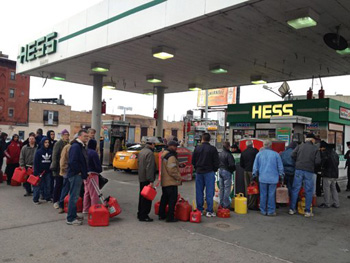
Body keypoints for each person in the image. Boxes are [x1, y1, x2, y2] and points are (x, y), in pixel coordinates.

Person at [289, 133, 321, 217]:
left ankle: (292, 209)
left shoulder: (300, 146)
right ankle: (307, 211)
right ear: (312, 140)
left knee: (295, 189)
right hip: (309, 170)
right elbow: (318, 161)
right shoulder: (315, 148)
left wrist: (298, 161)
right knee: (308, 190)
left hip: (298, 169)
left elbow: (292, 155)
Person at [253, 140, 284, 216]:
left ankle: (263, 210)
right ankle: (271, 211)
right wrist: (282, 176)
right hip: (273, 178)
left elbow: (255, 167)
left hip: (262, 178)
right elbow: (280, 167)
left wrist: (254, 175)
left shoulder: (259, 154)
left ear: (263, 145)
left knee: (263, 194)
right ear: (271, 146)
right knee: (271, 194)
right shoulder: (276, 155)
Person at [192, 133, 219, 217]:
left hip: (199, 172)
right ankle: (209, 211)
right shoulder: (213, 149)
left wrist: (197, 168)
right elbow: (216, 162)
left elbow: (193, 161)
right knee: (210, 192)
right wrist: (214, 170)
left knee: (199, 191)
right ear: (209, 140)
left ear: (202, 139)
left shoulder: (197, 148)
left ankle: (199, 210)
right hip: (209, 172)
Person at [66, 129, 89, 225]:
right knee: (74, 197)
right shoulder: (76, 147)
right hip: (75, 175)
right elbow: (72, 161)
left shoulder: (80, 146)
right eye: (85, 136)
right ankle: (70, 219)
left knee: (75, 196)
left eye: (87, 136)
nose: (86, 138)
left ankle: (73, 215)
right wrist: (79, 171)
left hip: (77, 174)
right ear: (79, 136)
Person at [159, 140, 182, 222]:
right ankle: (170, 217)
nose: (176, 148)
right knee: (172, 200)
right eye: (175, 146)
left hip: (165, 181)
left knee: (164, 198)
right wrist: (178, 177)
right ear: (171, 146)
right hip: (171, 181)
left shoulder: (164, 154)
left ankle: (161, 214)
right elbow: (172, 169)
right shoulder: (171, 156)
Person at [137, 137, 156, 222]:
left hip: (141, 177)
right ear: (151, 144)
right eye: (154, 144)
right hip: (147, 178)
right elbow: (150, 168)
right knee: (147, 198)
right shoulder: (150, 153)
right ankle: (144, 215)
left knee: (141, 196)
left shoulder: (142, 151)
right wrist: (151, 180)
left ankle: (140, 213)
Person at [50, 129, 70, 209]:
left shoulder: (68, 144)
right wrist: (54, 166)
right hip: (58, 167)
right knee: (58, 185)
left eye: (68, 135)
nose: (67, 136)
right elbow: (54, 155)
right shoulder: (58, 144)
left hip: (65, 168)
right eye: (65, 135)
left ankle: (62, 200)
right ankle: (55, 201)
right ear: (62, 136)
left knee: (64, 185)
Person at [82, 139, 102, 213]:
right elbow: (97, 165)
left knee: (86, 192)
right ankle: (94, 210)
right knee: (94, 193)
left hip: (86, 174)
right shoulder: (93, 153)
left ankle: (85, 209)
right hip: (93, 174)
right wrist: (99, 170)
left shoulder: (85, 151)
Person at [318, 141, 340, 208]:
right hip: (335, 174)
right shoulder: (335, 153)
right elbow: (337, 163)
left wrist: (321, 168)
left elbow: (323, 163)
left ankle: (327, 203)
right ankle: (336, 203)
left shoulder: (325, 153)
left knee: (326, 189)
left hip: (327, 174)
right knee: (334, 189)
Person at [33, 137, 52, 204]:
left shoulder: (50, 151)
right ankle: (36, 199)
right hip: (39, 172)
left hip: (48, 172)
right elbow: (35, 162)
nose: (47, 144)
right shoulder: (39, 152)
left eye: (48, 142)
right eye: (45, 142)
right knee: (37, 186)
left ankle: (48, 197)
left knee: (48, 185)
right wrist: (36, 171)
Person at [240, 140, 259, 209]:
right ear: (252, 144)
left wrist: (245, 168)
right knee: (254, 187)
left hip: (246, 171)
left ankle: (247, 202)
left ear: (246, 145)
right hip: (253, 171)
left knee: (247, 187)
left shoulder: (243, 152)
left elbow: (241, 164)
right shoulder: (256, 151)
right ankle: (252, 204)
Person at [218, 141, 235, 209]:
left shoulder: (220, 153)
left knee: (221, 188)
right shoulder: (229, 154)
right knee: (227, 189)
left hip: (220, 170)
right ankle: (226, 205)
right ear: (228, 147)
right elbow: (232, 164)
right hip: (227, 171)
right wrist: (232, 170)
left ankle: (221, 203)